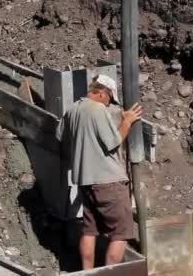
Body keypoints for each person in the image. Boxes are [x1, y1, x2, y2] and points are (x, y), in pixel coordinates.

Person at [56, 74, 143, 270]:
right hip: (108, 181)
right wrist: (127, 121)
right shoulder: (97, 109)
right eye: (110, 100)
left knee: (89, 231)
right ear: (104, 94)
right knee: (121, 233)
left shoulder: (73, 109)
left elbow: (60, 135)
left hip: (85, 182)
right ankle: (109, 274)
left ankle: (88, 273)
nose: (109, 104)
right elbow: (113, 142)